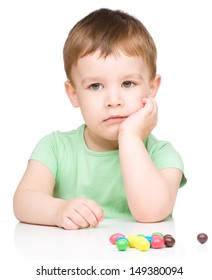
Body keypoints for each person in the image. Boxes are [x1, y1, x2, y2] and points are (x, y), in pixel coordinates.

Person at [13, 8, 187, 230]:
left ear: (152, 88)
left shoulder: (162, 155)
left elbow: (151, 212)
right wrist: (57, 211)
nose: (113, 100)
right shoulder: (55, 148)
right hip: (72, 261)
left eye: (127, 84)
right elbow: (23, 201)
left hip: (140, 263)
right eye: (95, 86)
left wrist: (131, 137)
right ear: (74, 94)